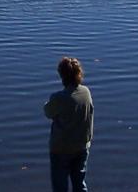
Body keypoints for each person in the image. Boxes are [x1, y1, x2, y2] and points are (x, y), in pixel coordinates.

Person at [43, 57, 94, 192]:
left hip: (61, 149)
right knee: (80, 184)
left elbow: (48, 112)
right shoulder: (86, 92)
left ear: (62, 75)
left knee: (60, 186)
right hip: (82, 146)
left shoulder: (59, 97)